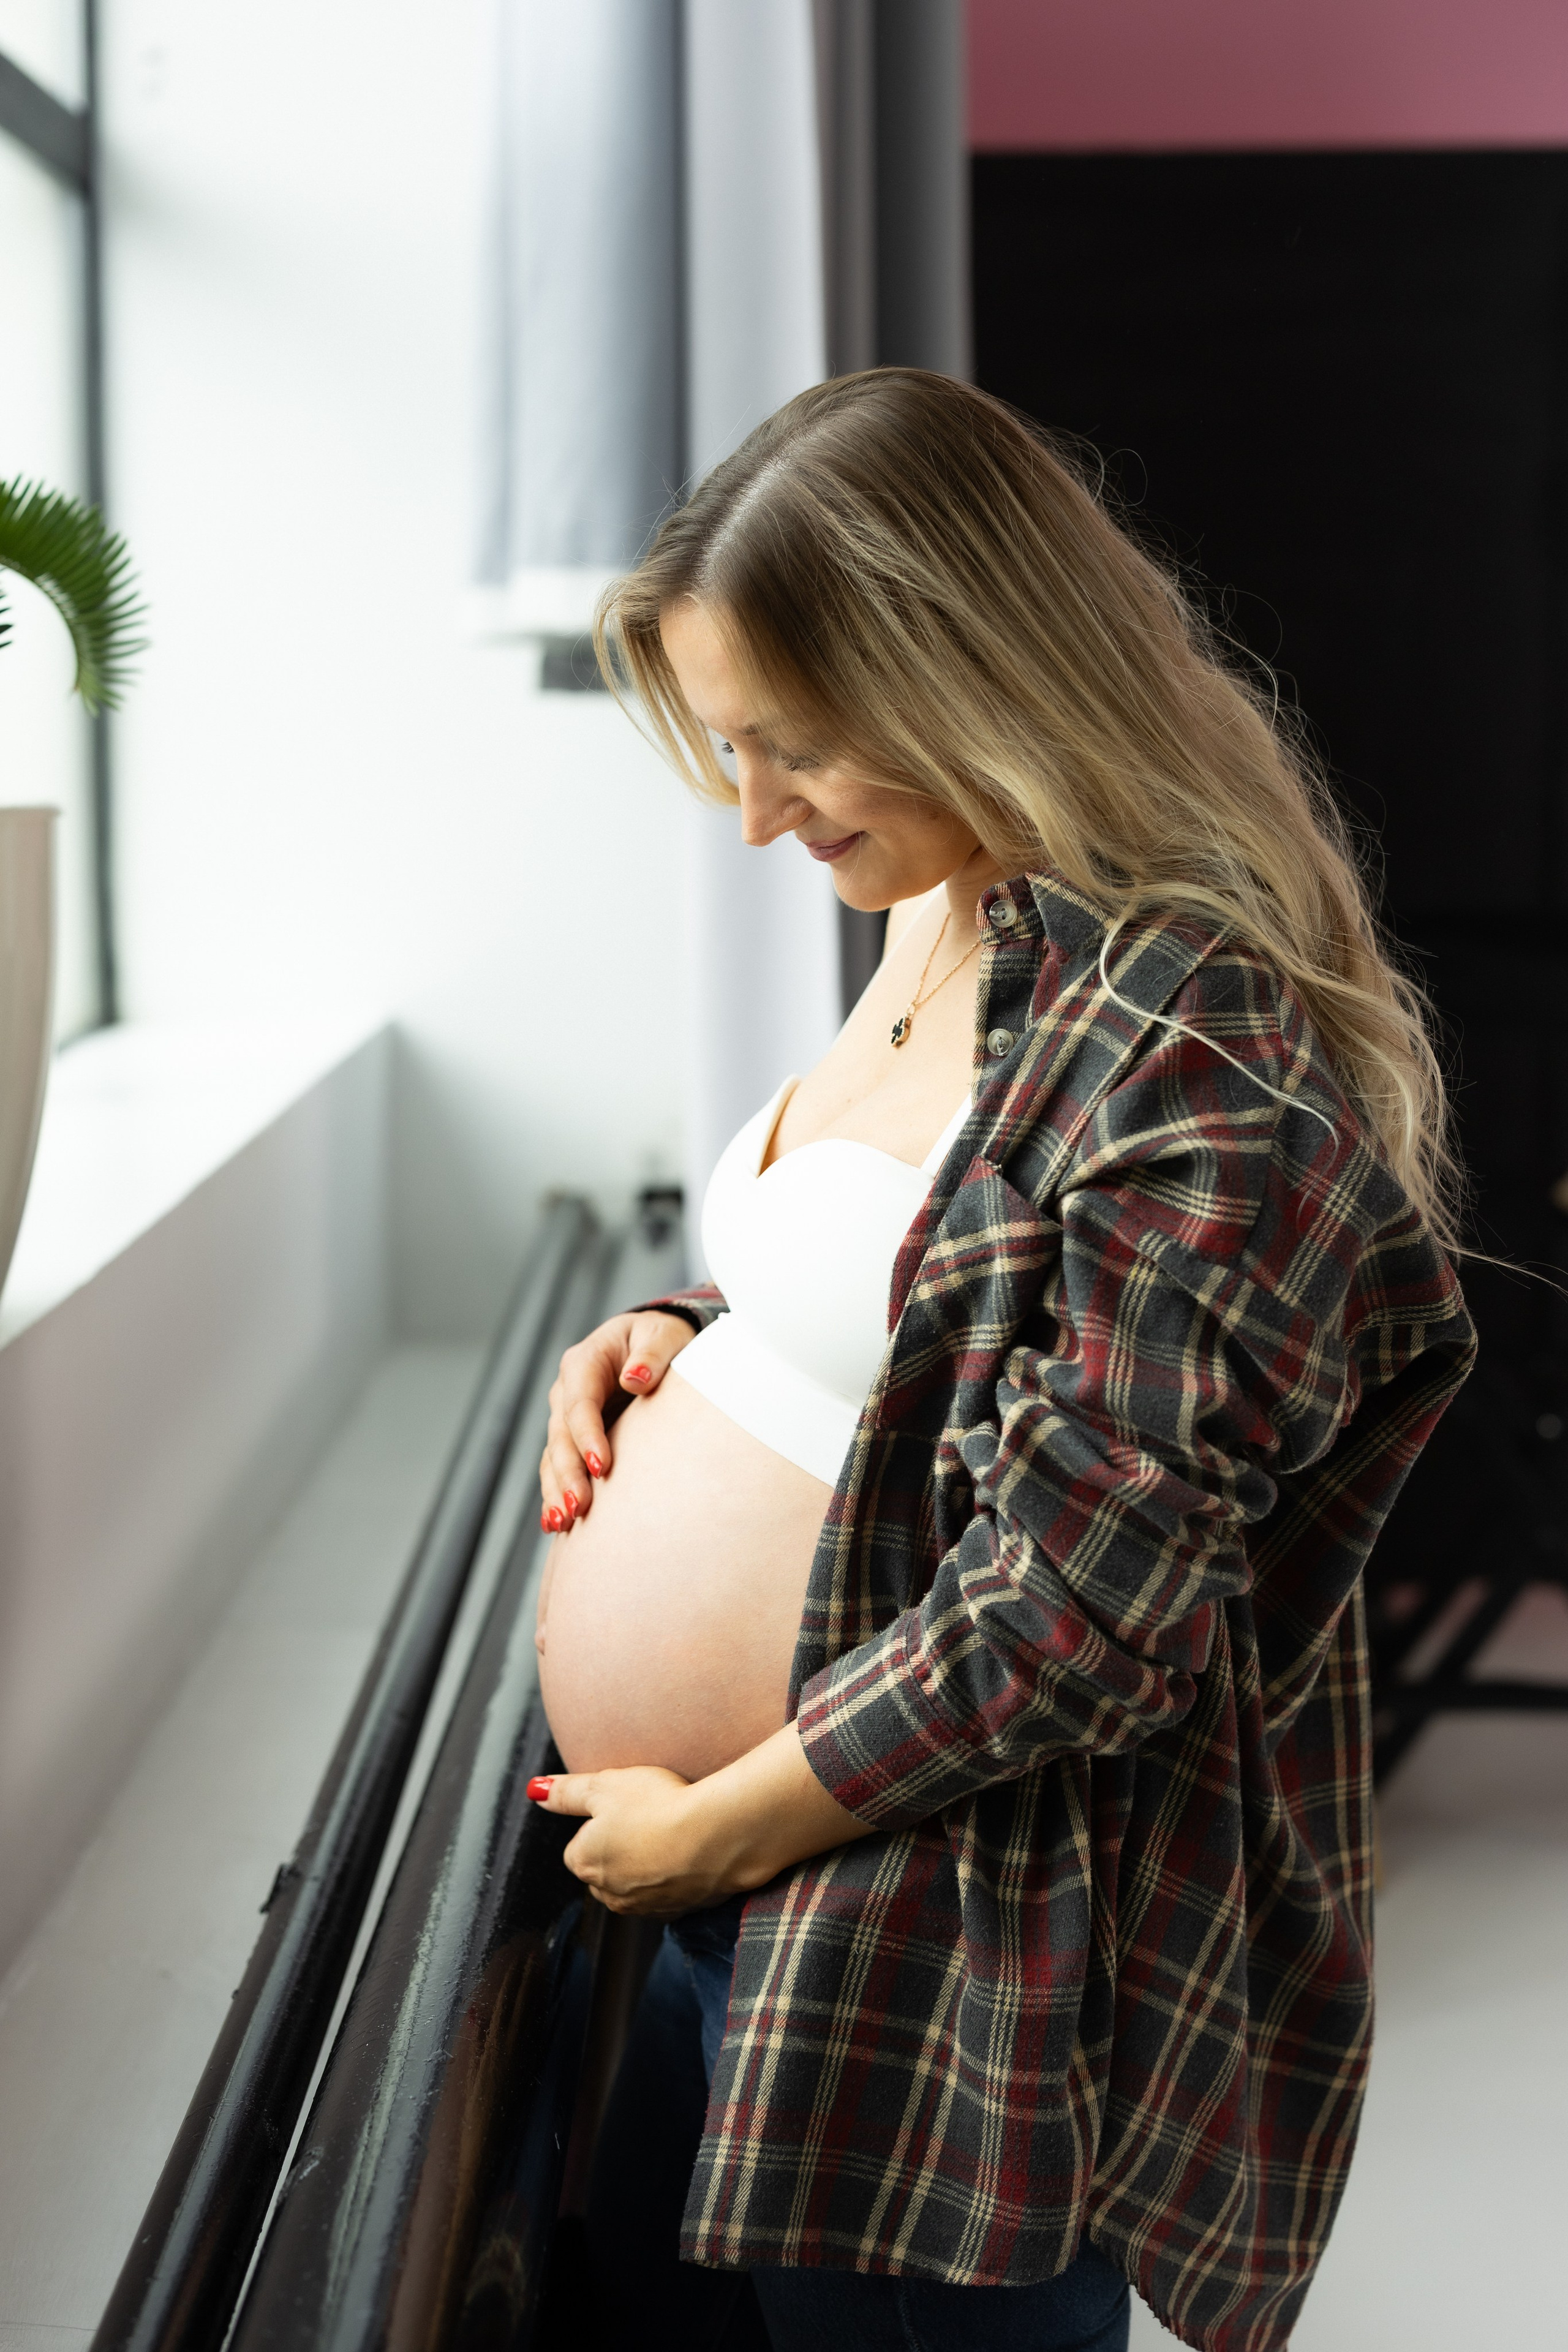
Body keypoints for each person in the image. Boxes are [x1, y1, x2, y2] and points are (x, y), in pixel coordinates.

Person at [526, 371, 1475, 2352]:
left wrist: (720, 1825)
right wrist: (692, 1345)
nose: (761, 815)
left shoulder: (1199, 1044)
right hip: (745, 1897)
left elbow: (1085, 1604)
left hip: (935, 1947)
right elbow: (940, 1295)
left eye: (797, 750)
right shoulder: (957, 901)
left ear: (972, 668)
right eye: (732, 748)